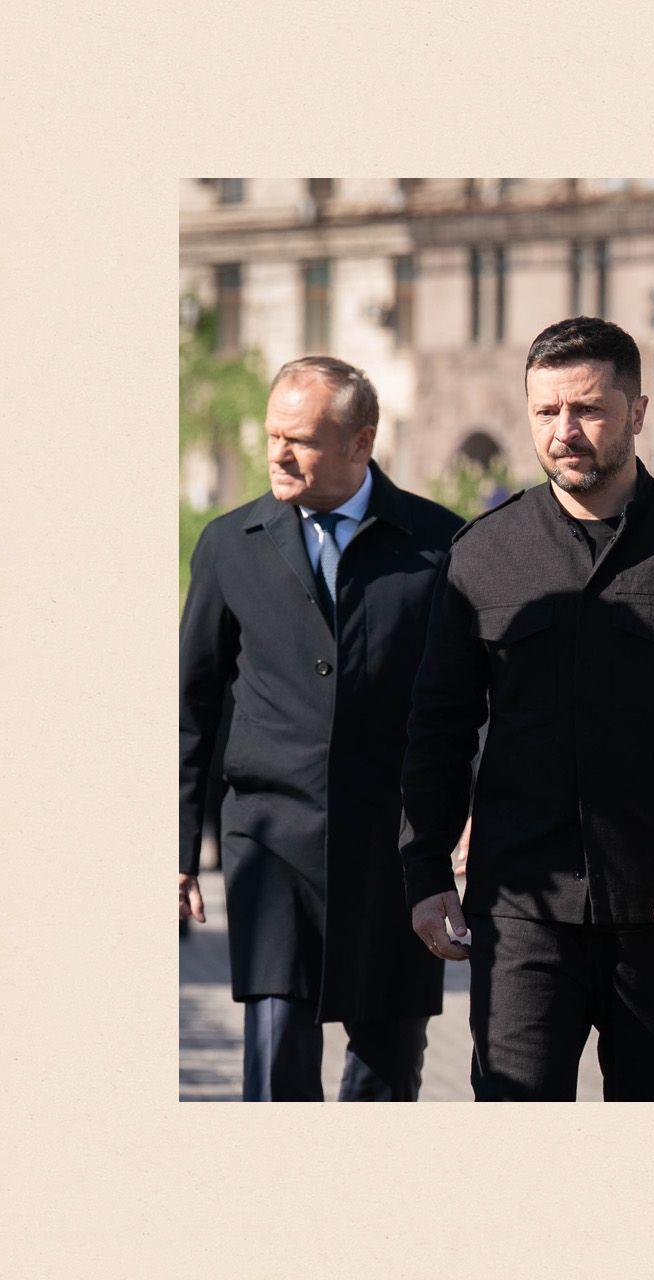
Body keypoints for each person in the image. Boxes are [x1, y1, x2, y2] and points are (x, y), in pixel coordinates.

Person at [399, 316, 654, 1101]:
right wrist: (425, 868)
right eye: (546, 412)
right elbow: (439, 724)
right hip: (522, 910)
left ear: (638, 412)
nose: (565, 432)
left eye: (588, 409)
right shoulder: (484, 554)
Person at [179, 356, 463, 1100]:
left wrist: (463, 830)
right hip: (271, 843)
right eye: (274, 435)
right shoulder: (229, 543)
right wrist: (177, 853)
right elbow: (192, 705)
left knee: (387, 1072)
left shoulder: (440, 545)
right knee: (275, 1064)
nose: (278, 452)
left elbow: (474, 704)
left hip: (395, 853)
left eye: (300, 439)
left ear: (360, 444)